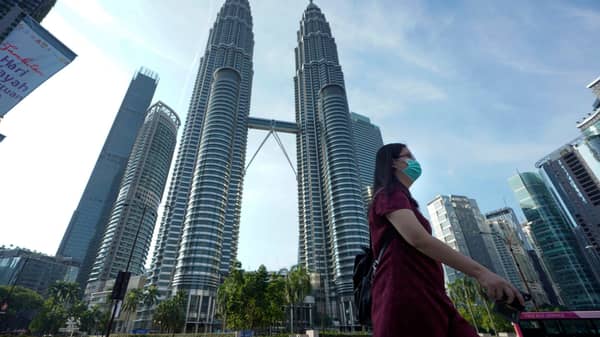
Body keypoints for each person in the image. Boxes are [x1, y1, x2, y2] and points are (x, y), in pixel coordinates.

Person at [369, 143, 524, 337]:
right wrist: (482, 273)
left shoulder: (404, 199)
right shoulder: (388, 195)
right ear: (393, 164)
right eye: (408, 156)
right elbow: (418, 239)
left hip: (432, 294)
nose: (415, 162)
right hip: (407, 294)